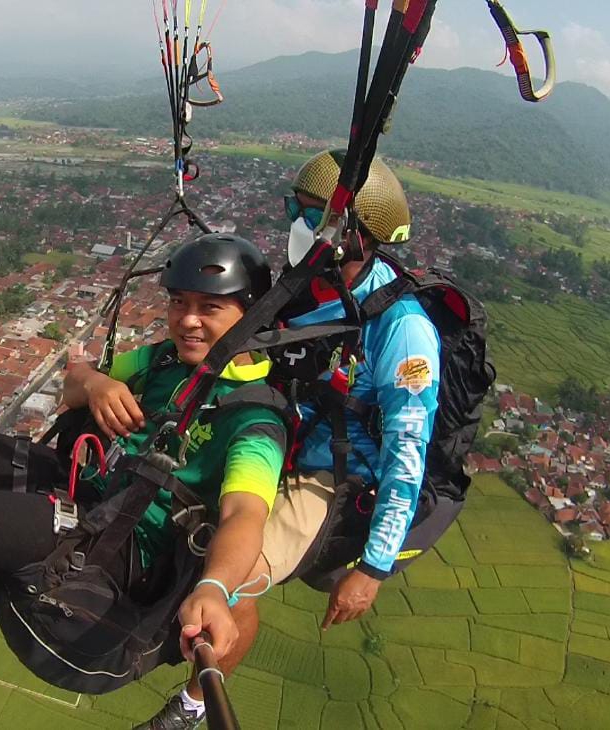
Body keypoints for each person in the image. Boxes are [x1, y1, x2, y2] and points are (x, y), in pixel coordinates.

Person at [0, 232, 285, 730]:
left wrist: (215, 587)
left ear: (252, 314)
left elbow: (245, 513)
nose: (187, 320)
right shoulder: (163, 363)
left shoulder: (254, 421)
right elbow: (75, 379)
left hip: (130, 550)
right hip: (98, 489)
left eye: (209, 307)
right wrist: (97, 384)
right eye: (179, 302)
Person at [138, 151, 439, 730]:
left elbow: (408, 453)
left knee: (232, 576)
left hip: (330, 476)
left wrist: (372, 570)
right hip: (275, 439)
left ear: (355, 235)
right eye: (295, 210)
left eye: (308, 213)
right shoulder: (310, 290)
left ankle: (194, 705)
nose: (295, 225)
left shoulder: (402, 330)